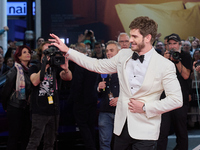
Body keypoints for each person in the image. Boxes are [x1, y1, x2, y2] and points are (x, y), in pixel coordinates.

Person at [49, 16, 182, 150]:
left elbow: (176, 100)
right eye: (131, 36)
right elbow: (97, 65)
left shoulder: (165, 65)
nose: (130, 40)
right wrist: (69, 51)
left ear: (147, 38)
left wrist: (145, 107)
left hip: (146, 130)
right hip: (121, 128)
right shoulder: (124, 55)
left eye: (134, 36)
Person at [26, 41, 72, 150]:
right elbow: (35, 82)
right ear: (41, 53)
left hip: (54, 110)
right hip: (39, 111)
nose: (50, 54)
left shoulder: (55, 67)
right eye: (47, 51)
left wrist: (66, 68)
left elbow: (68, 77)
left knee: (50, 144)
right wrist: (44, 66)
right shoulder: (34, 67)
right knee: (34, 143)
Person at [157, 33, 192, 150]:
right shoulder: (160, 58)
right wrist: (164, 60)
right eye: (170, 44)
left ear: (179, 44)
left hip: (180, 98)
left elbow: (186, 75)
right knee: (162, 131)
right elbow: (156, 77)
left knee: (181, 131)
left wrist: (177, 61)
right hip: (164, 99)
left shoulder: (186, 56)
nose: (172, 46)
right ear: (166, 46)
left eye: (175, 43)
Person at [1, 45, 32, 150]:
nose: (28, 54)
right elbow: (5, 92)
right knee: (14, 137)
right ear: (18, 56)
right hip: (14, 108)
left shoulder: (30, 70)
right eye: (24, 52)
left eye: (28, 52)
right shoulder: (14, 71)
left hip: (26, 108)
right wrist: (6, 106)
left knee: (26, 137)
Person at [69, 42, 99, 150]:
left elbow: (77, 84)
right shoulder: (92, 62)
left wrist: (73, 100)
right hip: (92, 99)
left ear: (77, 51)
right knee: (90, 126)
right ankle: (93, 147)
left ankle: (91, 147)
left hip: (81, 101)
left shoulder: (80, 64)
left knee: (84, 126)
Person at [98, 40, 120, 150]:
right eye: (107, 51)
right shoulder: (102, 66)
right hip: (105, 111)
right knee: (104, 141)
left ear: (119, 52)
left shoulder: (125, 67)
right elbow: (92, 89)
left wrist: (120, 99)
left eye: (111, 50)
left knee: (120, 143)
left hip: (121, 111)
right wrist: (98, 88)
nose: (108, 53)